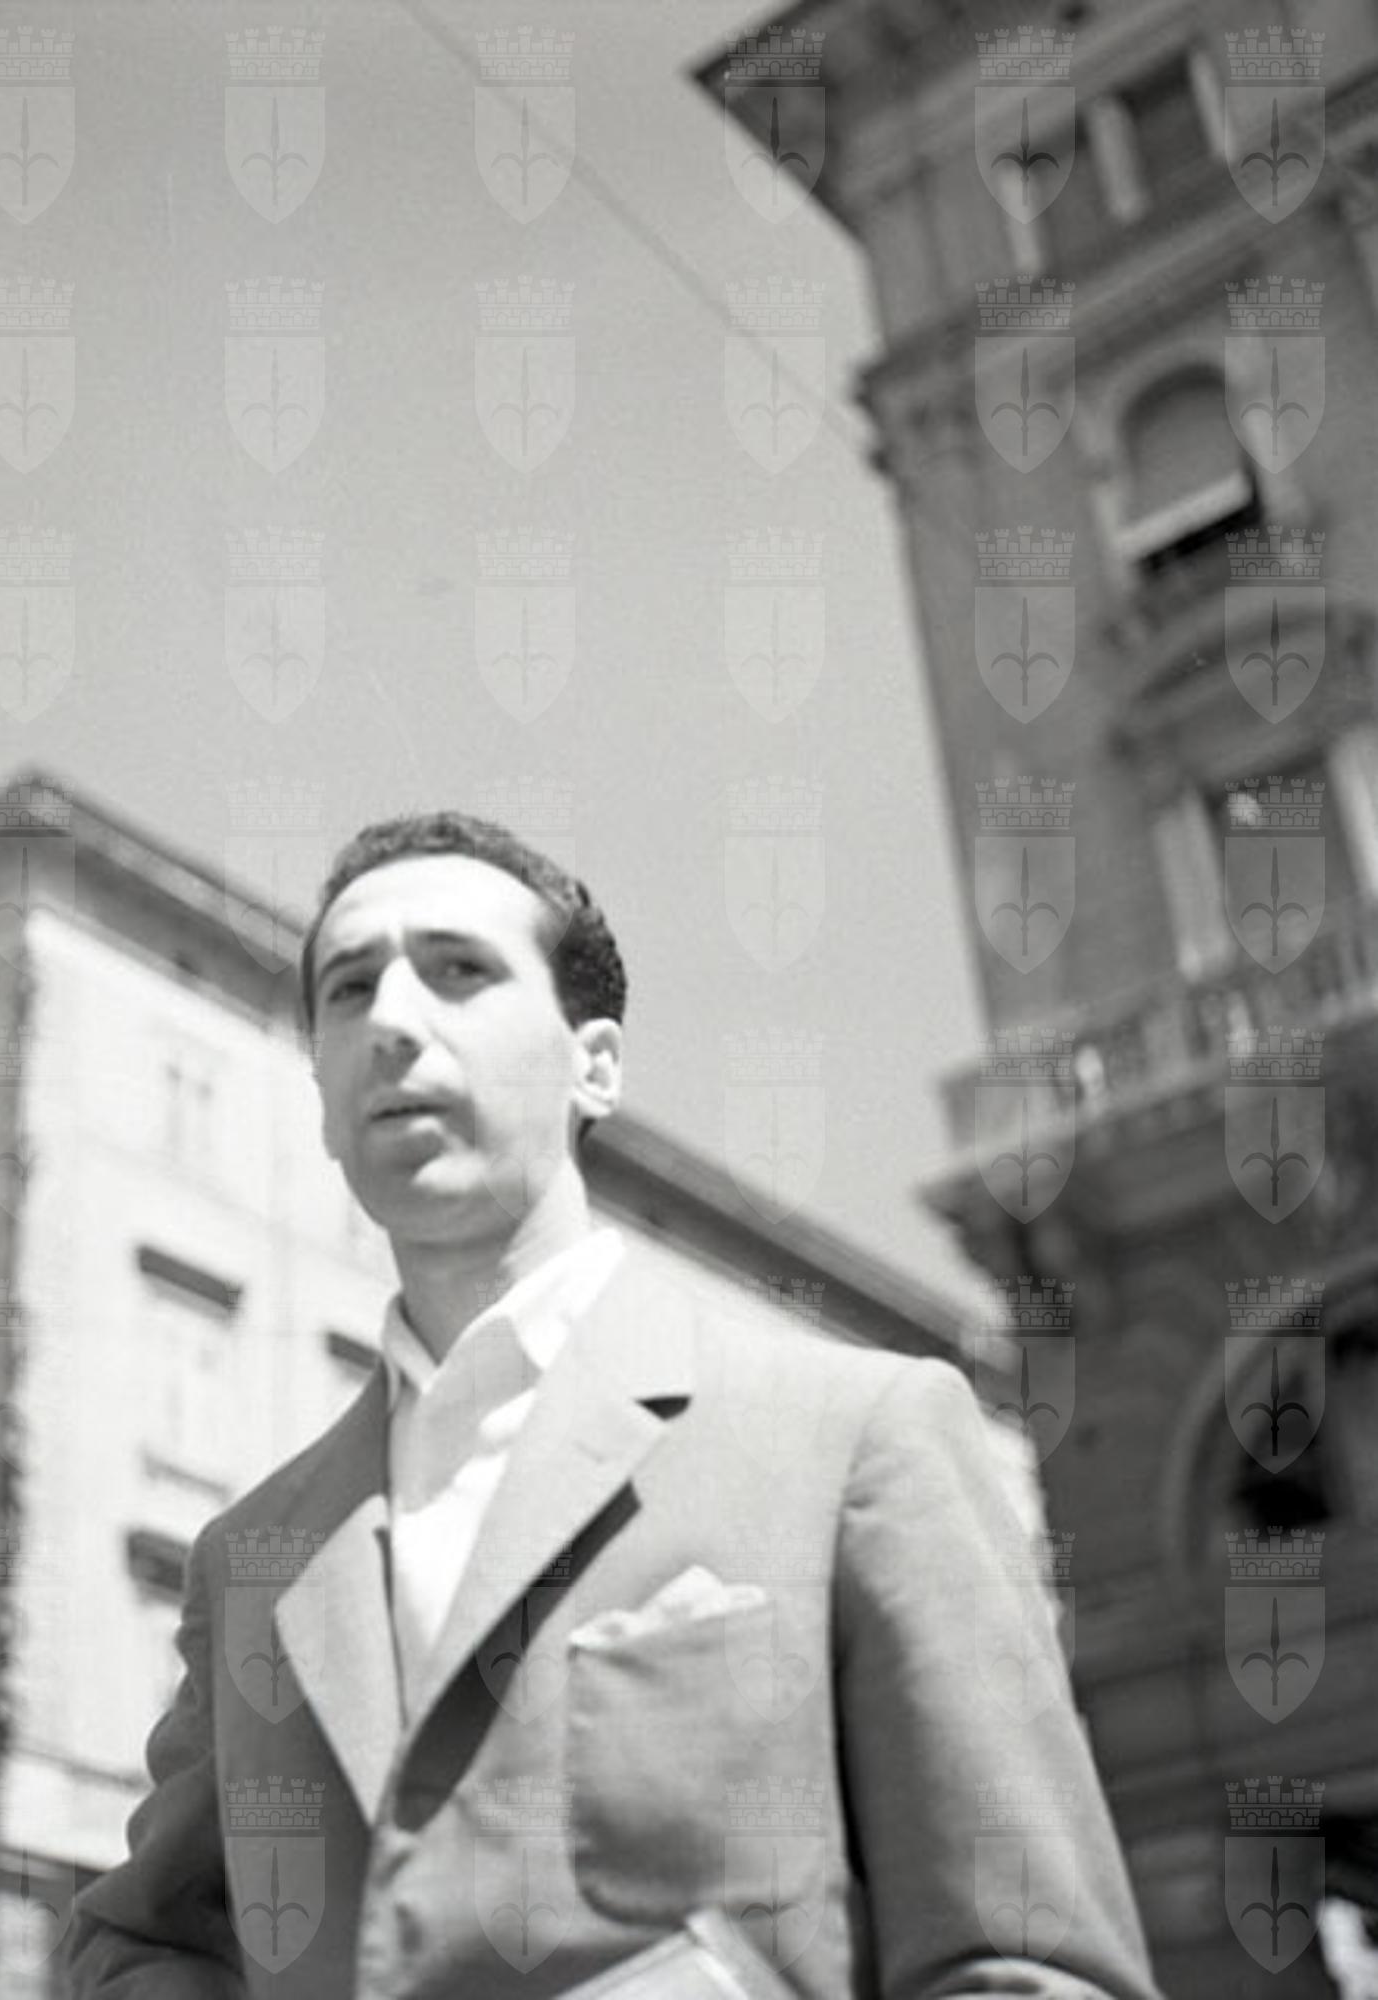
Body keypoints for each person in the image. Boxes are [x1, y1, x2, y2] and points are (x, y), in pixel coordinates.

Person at [67, 812, 1161, 1999]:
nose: (392, 1018)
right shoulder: (251, 1562)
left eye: (459, 969)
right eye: (349, 987)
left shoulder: (859, 1435)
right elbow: (133, 1943)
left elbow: (1031, 1964)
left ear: (595, 1063)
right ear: (323, 1091)